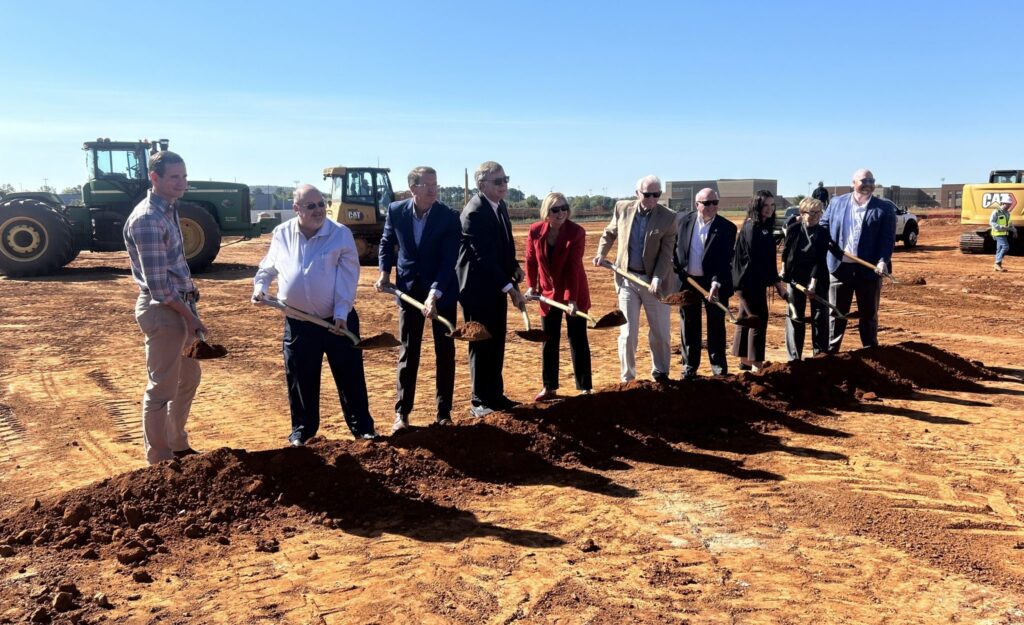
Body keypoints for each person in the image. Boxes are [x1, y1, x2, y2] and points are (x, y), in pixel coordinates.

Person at [252, 184, 377, 445]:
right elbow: (268, 266)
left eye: (321, 204)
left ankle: (363, 429)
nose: (319, 210)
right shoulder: (282, 233)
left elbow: (348, 277)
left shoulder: (340, 234)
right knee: (300, 377)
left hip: (337, 321)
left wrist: (341, 313)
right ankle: (302, 431)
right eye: (311, 206)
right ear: (296, 208)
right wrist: (260, 288)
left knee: (350, 376)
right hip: (299, 322)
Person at [123, 150, 205, 465]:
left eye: (184, 176)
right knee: (161, 389)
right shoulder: (148, 219)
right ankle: (159, 460)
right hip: (164, 311)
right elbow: (159, 288)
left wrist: (190, 300)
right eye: (174, 177)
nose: (182, 183)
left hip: (179, 305)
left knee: (189, 376)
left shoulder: (168, 209)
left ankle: (176, 444)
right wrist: (190, 319)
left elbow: (174, 267)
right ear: (154, 178)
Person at [375, 167, 461, 432]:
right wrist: (384, 272)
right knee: (408, 351)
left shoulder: (449, 216)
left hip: (442, 292)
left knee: (444, 352)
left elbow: (449, 260)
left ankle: (443, 413)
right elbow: (387, 242)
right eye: (427, 185)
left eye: (435, 184)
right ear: (413, 188)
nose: (433, 189)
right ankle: (402, 413)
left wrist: (434, 294)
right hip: (409, 290)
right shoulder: (396, 211)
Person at [456, 161, 527, 418]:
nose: (503, 185)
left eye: (505, 179)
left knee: (496, 339)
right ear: (481, 184)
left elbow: (504, 246)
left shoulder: (499, 206)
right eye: (498, 181)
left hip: (495, 284)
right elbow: (483, 257)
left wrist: (514, 267)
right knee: (480, 341)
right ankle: (479, 400)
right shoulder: (475, 212)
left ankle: (495, 394)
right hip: (476, 289)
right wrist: (510, 289)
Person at [594, 175, 677, 383]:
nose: (652, 199)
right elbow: (610, 233)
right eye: (647, 195)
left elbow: (666, 253)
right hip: (627, 279)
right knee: (628, 332)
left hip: (654, 283)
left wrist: (657, 277)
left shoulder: (668, 217)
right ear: (637, 193)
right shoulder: (622, 208)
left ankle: (661, 373)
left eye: (657, 194)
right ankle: (628, 378)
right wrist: (601, 253)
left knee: (660, 332)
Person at [525, 192, 592, 401]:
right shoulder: (536, 230)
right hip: (548, 294)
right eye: (555, 209)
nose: (561, 213)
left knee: (577, 338)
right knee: (549, 340)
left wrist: (572, 299)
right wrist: (531, 287)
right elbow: (531, 261)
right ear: (547, 211)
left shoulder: (576, 232)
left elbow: (573, 267)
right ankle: (549, 387)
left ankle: (585, 388)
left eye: (564, 208)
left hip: (574, 291)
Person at [820, 168, 896, 351]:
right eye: (864, 181)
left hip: (869, 270)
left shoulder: (884, 208)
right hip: (840, 268)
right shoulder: (837, 203)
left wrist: (882, 261)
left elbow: (887, 239)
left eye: (871, 181)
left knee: (869, 314)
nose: (868, 184)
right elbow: (823, 226)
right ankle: (831, 352)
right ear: (853, 183)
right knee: (836, 313)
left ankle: (870, 350)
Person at [673, 187, 737, 379]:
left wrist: (715, 284)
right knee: (689, 324)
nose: (712, 206)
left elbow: (724, 261)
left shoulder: (727, 228)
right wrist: (677, 267)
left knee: (716, 325)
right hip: (688, 282)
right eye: (707, 203)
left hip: (715, 283)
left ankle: (718, 367)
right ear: (697, 204)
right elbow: (675, 247)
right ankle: (690, 365)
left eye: (715, 203)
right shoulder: (684, 222)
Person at [732, 191, 788, 371]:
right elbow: (760, 260)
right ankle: (757, 364)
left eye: (772, 205)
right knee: (758, 319)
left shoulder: (762, 226)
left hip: (752, 281)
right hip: (748, 282)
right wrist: (778, 284)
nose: (769, 209)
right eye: (765, 205)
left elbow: (766, 259)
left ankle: (745, 361)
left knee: (745, 318)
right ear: (757, 206)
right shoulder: (753, 227)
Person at [780, 198, 834, 360]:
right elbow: (786, 252)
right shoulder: (794, 229)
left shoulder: (823, 233)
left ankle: (820, 354)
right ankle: (794, 357)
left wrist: (813, 284)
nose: (816, 216)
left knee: (819, 316)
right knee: (795, 315)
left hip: (817, 277)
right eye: (812, 212)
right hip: (795, 278)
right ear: (802, 213)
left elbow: (820, 260)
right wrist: (783, 269)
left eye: (819, 212)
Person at [990, 198, 1016, 272]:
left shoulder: (1007, 213)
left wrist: (1014, 231)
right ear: (1003, 203)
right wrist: (1001, 227)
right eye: (1008, 204)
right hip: (997, 233)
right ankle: (997, 263)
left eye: (1010, 204)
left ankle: (998, 266)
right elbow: (991, 222)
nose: (1009, 205)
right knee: (1005, 247)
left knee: (999, 249)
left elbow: (1010, 223)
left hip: (1004, 233)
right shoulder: (996, 212)